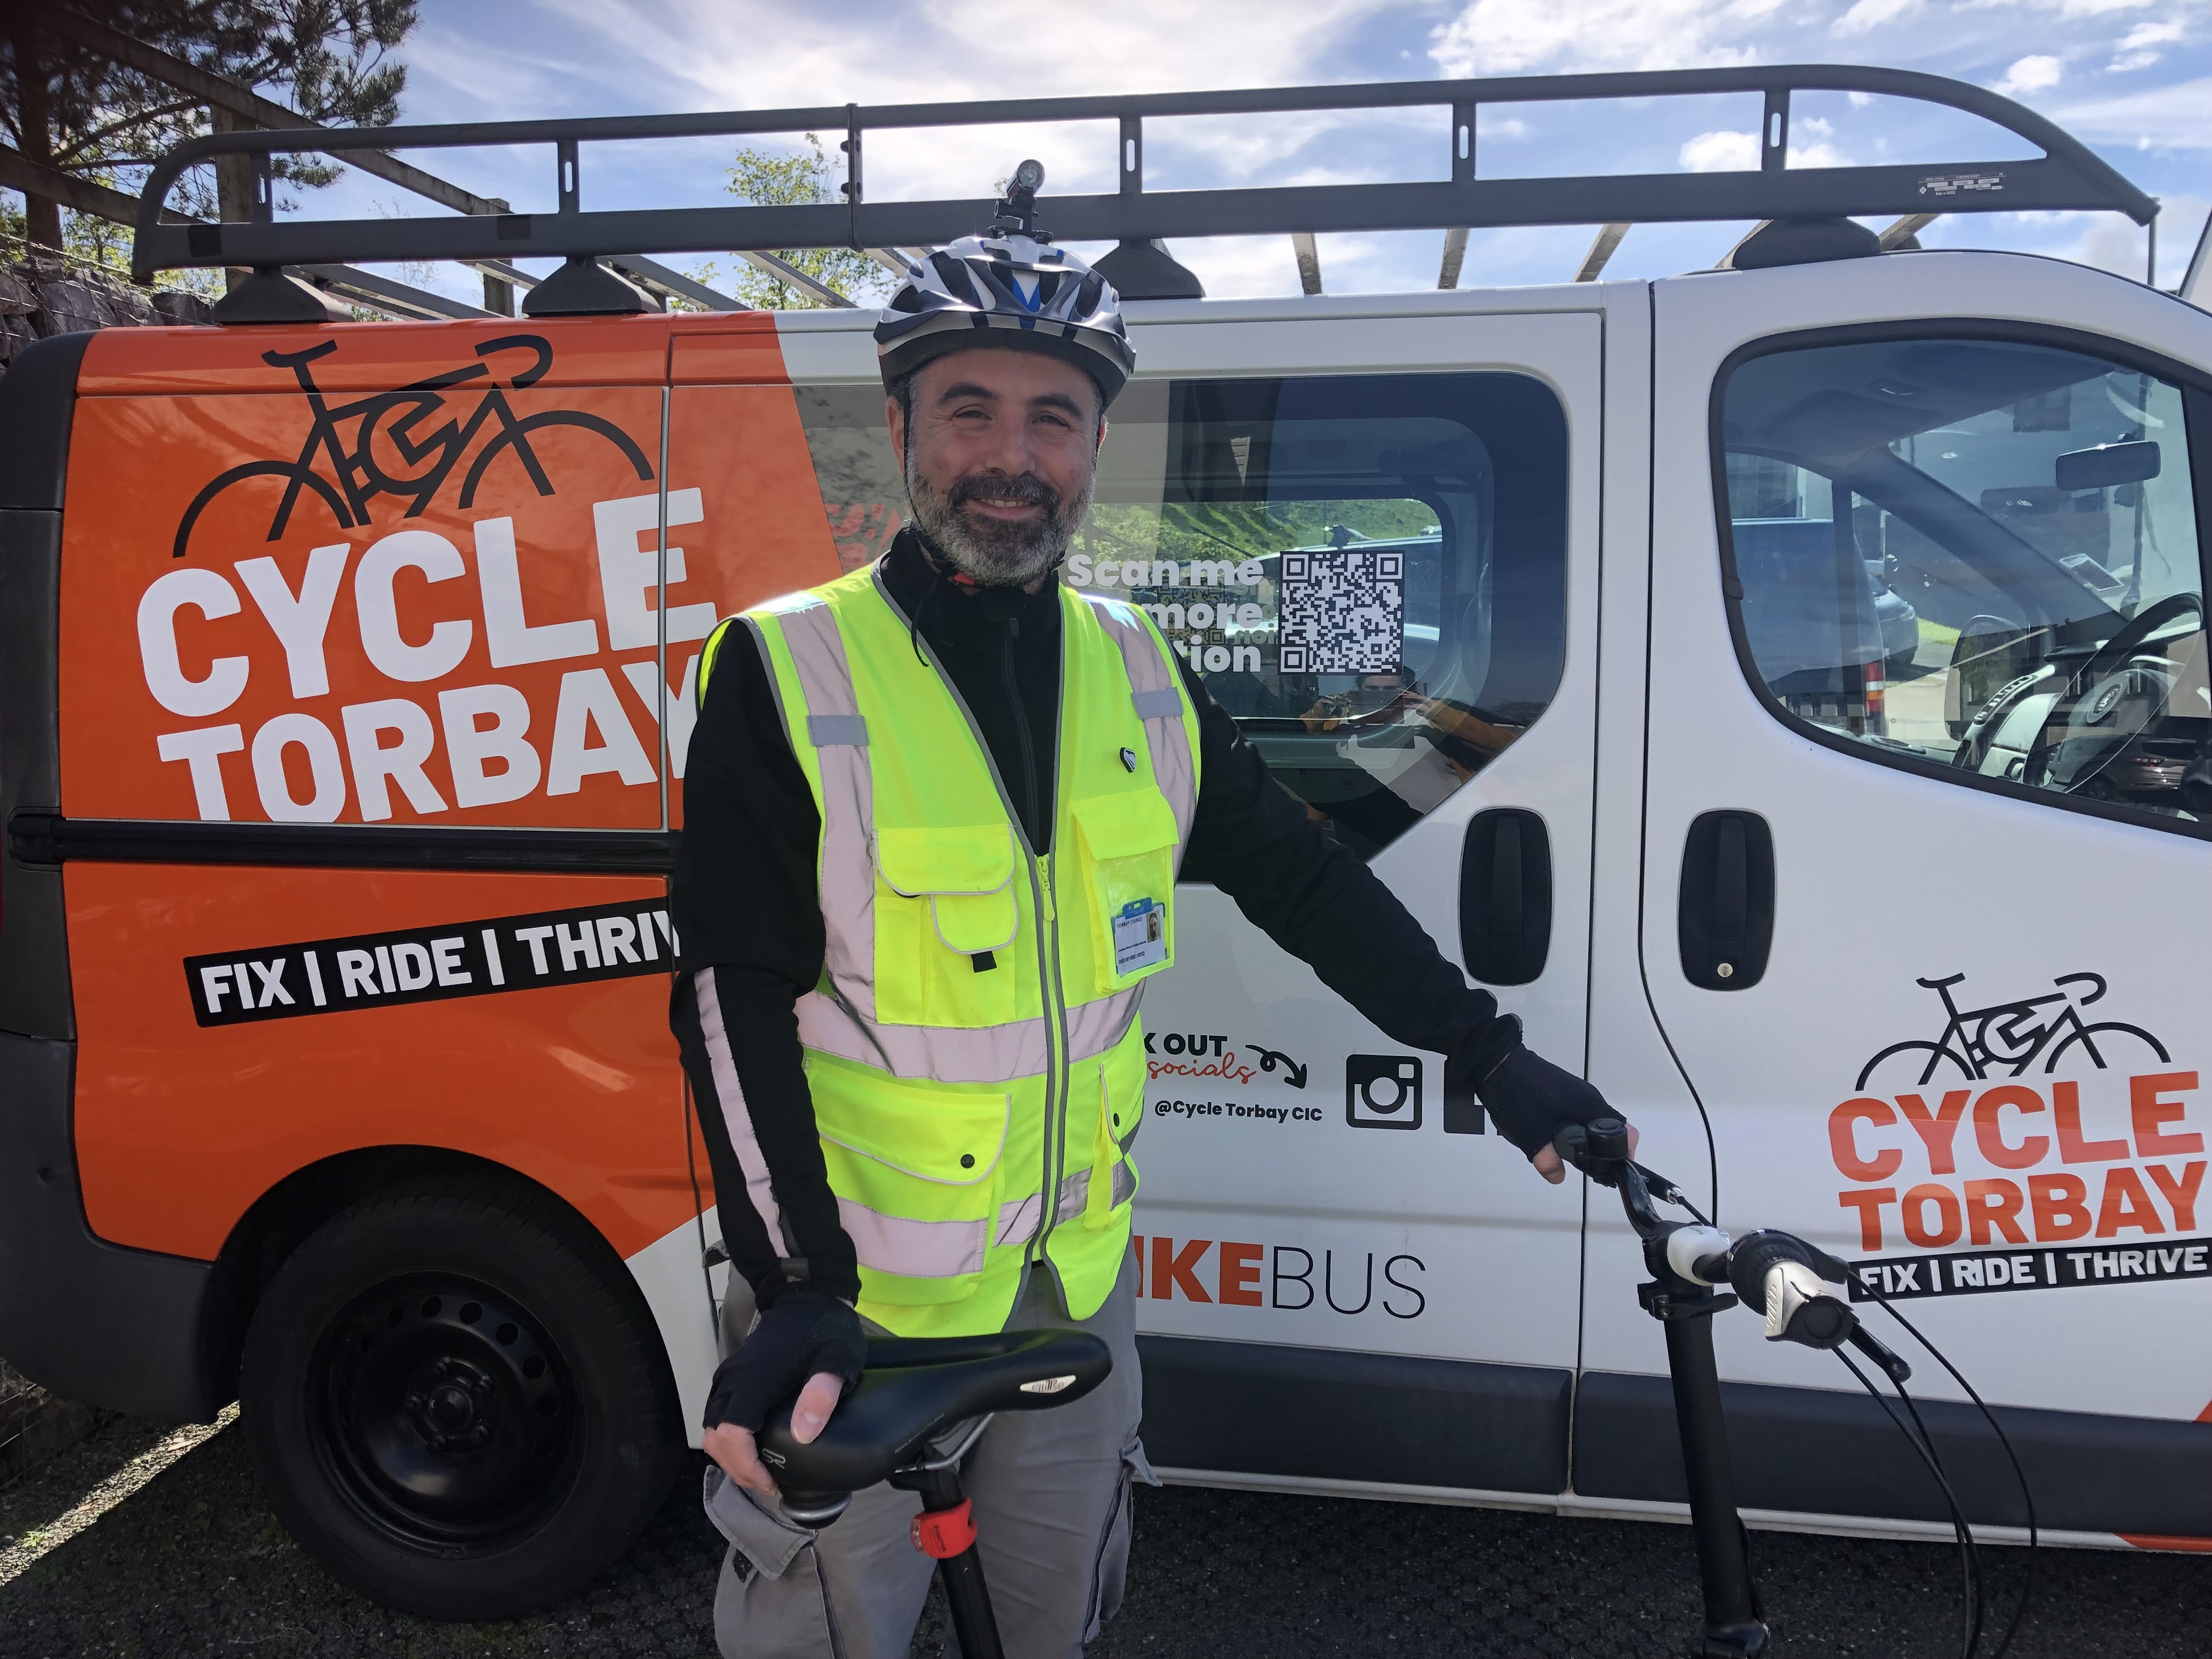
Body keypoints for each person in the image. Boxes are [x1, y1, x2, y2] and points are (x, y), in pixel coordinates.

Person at [669, 168, 1633, 1659]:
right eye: (972, 410)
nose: (1012, 455)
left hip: (1077, 1285)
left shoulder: (1138, 671)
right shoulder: (785, 674)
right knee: (829, 1636)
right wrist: (797, 1284)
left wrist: (1487, 1053)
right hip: (865, 1303)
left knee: (1055, 1622)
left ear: (1096, 448)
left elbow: (1303, 880)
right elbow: (726, 999)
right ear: (907, 430)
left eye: (1053, 418)